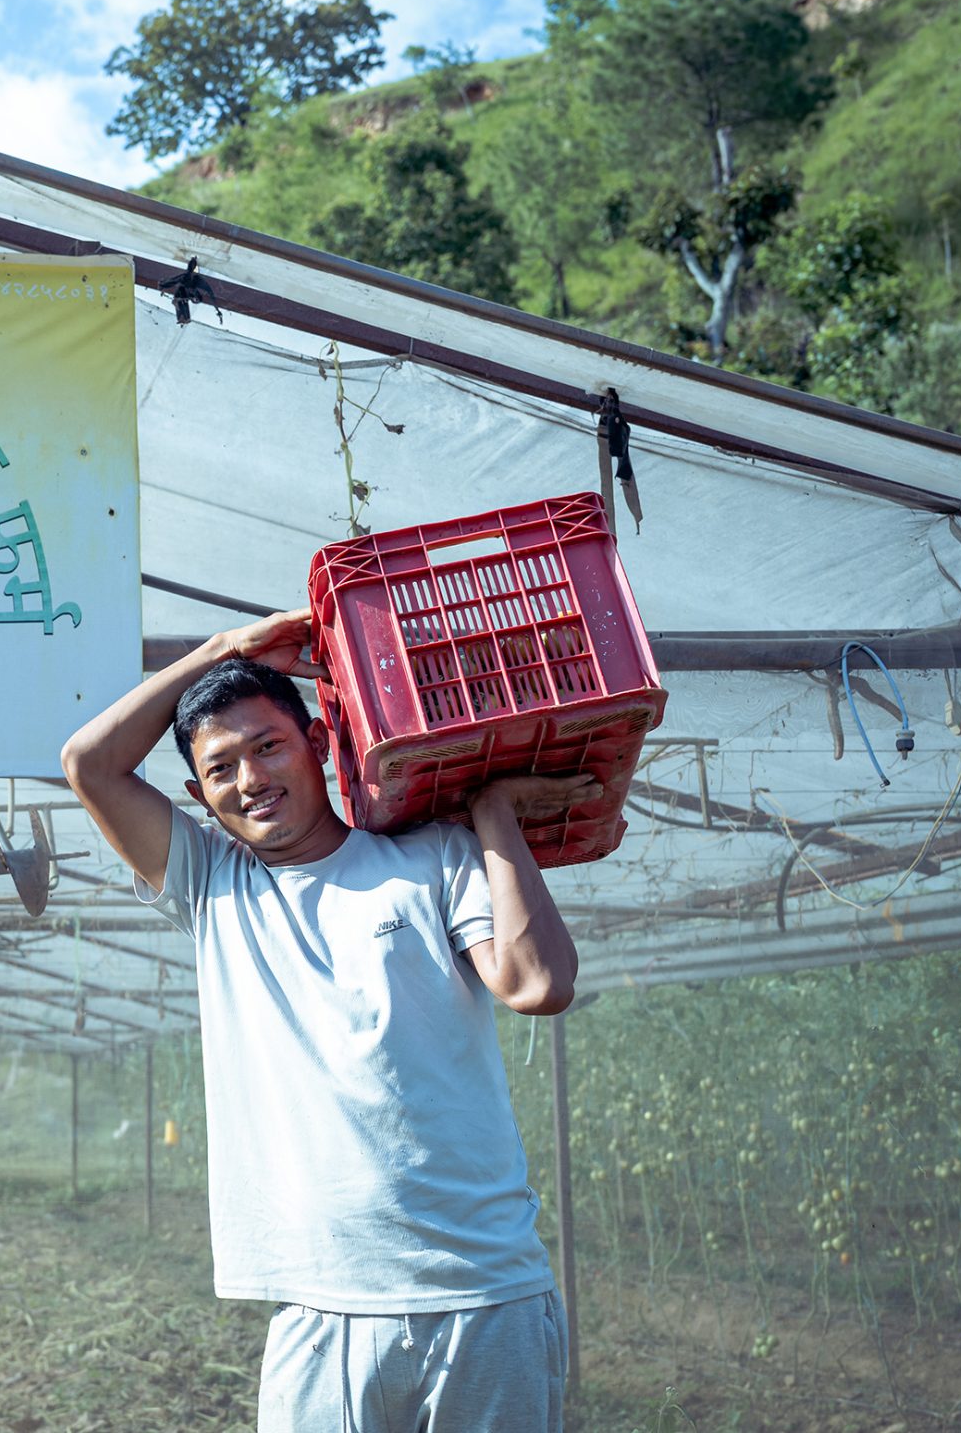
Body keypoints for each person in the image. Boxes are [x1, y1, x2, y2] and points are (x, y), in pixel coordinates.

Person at [60, 608, 594, 1432]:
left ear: (316, 741)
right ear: (200, 794)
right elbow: (89, 763)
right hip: (320, 1304)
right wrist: (221, 650)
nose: (250, 780)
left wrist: (493, 813)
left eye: (268, 746)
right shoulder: (214, 885)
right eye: (221, 768)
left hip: (486, 1294)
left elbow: (538, 983)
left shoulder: (427, 858)